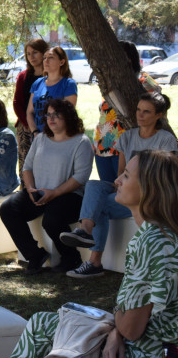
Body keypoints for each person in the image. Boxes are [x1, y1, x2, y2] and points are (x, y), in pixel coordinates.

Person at [0, 149, 178, 358]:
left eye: (127, 176)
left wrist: (117, 330)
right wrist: (117, 329)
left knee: (46, 335)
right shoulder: (160, 234)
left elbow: (131, 327)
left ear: (149, 189)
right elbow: (132, 321)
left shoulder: (154, 240)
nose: (117, 180)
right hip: (153, 352)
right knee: (57, 343)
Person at [61, 92, 178, 279]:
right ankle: (85, 231)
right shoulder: (127, 136)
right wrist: (120, 183)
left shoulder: (166, 140)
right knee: (93, 185)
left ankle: (94, 261)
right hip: (126, 187)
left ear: (159, 115)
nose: (140, 115)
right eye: (139, 110)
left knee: (99, 205)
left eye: (146, 112)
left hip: (148, 195)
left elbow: (164, 177)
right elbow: (121, 172)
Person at [0, 99, 93, 275]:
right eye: (48, 114)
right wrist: (31, 189)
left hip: (69, 195)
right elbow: (27, 167)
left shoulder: (81, 142)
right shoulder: (41, 138)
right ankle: (35, 255)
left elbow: (80, 177)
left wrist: (55, 192)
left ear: (69, 117)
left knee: (52, 220)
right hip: (39, 192)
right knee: (8, 208)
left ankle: (71, 259)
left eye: (57, 115)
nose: (51, 119)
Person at [90, 41, 162, 183]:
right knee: (109, 194)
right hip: (103, 147)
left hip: (127, 148)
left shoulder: (144, 81)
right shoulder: (109, 82)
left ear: (128, 59)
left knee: (127, 194)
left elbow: (157, 106)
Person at [13, 38, 49, 176]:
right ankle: (25, 191)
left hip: (48, 125)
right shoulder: (23, 76)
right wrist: (28, 123)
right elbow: (17, 102)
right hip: (26, 126)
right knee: (26, 164)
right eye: (28, 54)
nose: (31, 57)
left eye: (35, 52)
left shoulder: (51, 74)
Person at [26, 45, 78, 136]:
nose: (46, 61)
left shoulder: (68, 84)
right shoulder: (37, 83)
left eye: (51, 57)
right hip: (38, 136)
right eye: (44, 58)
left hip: (58, 137)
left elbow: (68, 114)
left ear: (61, 62)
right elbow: (30, 112)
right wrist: (35, 132)